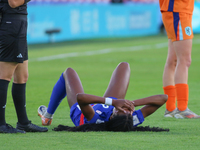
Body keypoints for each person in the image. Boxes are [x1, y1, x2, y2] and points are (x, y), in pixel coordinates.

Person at [38, 62, 169, 132]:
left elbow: (81, 98)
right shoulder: (130, 120)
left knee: (68, 72)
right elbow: (163, 98)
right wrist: (130, 103)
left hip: (80, 108)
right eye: (128, 111)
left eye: (122, 110)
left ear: (112, 117)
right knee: (124, 66)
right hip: (109, 105)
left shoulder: (95, 121)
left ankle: (47, 116)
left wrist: (113, 102)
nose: (126, 109)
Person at [0, 0, 48, 133]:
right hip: (11, 23)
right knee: (4, 75)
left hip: (18, 23)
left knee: (22, 76)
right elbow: (13, 2)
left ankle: (23, 122)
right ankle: (1, 124)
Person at [159, 0, 200, 118]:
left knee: (173, 60)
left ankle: (170, 108)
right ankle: (182, 109)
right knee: (184, 60)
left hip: (176, 9)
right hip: (178, 8)